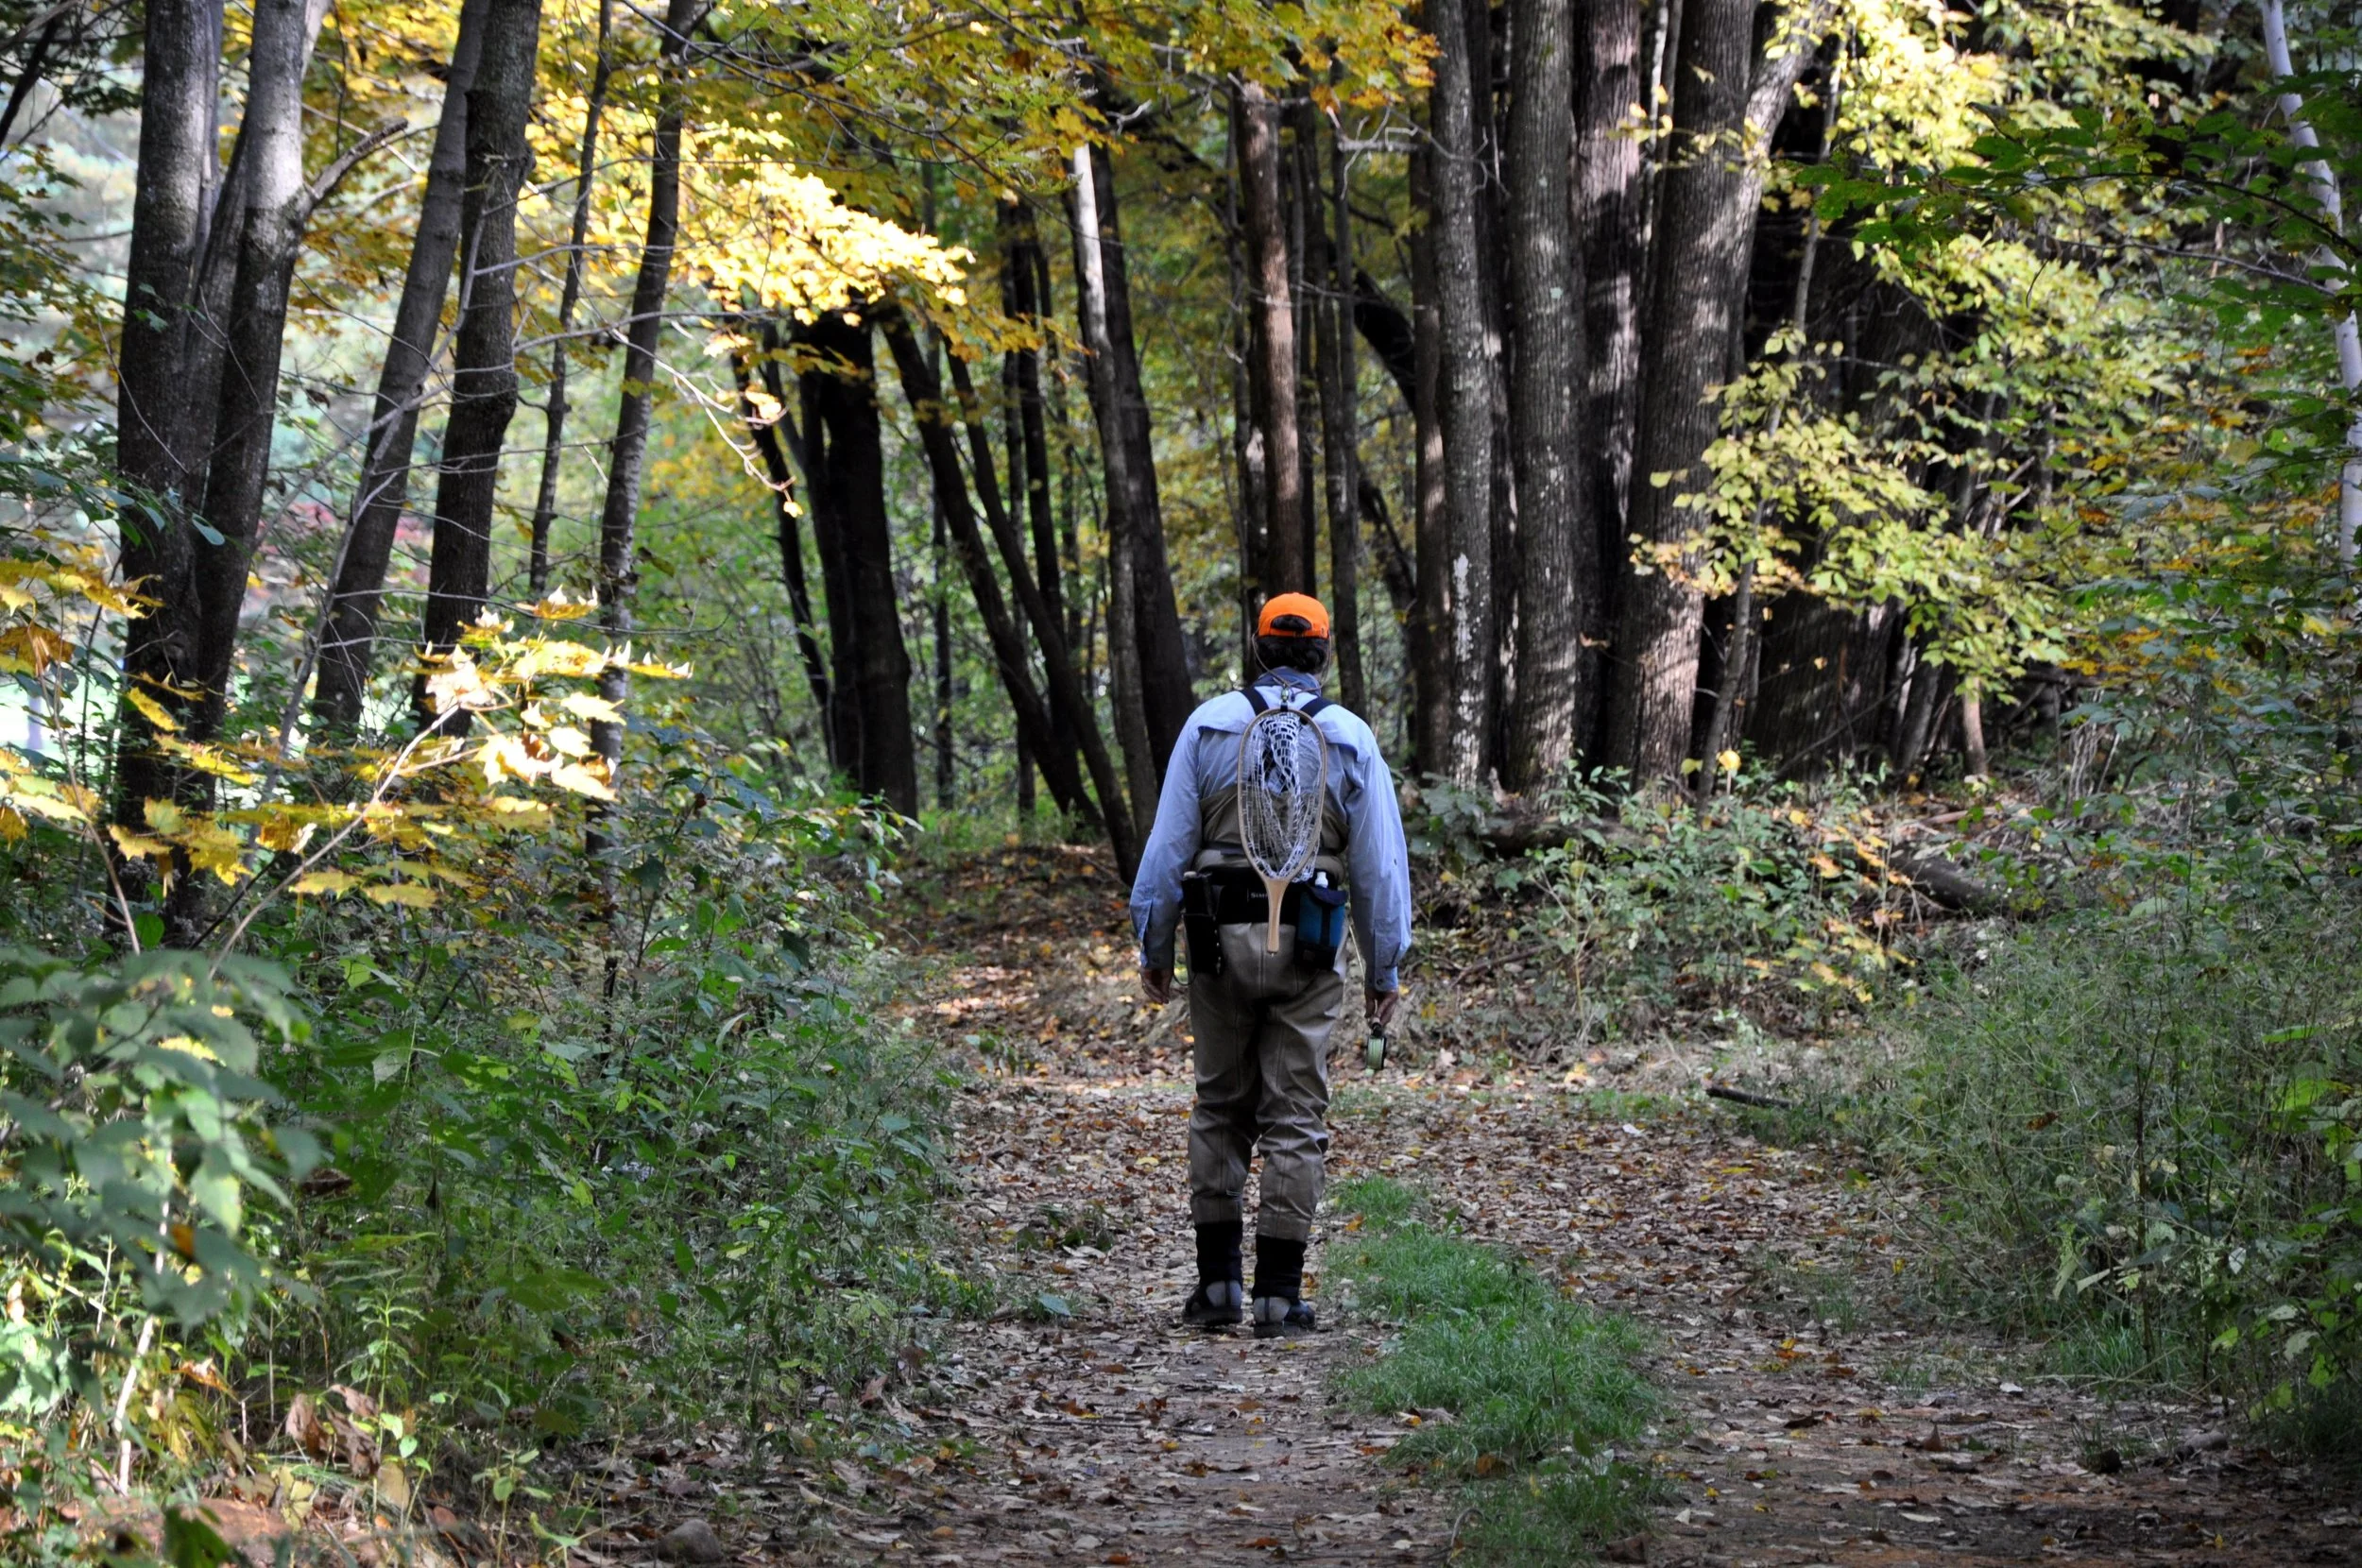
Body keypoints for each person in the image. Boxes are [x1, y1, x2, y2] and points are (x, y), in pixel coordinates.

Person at [1128, 593, 1412, 1338]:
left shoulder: (1207, 725)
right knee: (1295, 1114)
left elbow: (1166, 850)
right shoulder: (1351, 738)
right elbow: (1380, 869)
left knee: (1220, 1104)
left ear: (1258, 650)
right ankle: (1278, 1298)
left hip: (1216, 942)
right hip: (1310, 947)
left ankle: (1217, 1289)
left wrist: (1154, 948)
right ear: (1323, 655)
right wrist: (1386, 970)